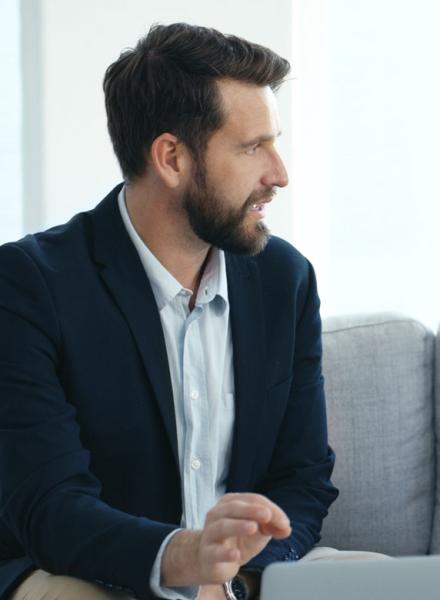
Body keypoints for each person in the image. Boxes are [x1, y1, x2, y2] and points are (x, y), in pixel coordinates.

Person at [0, 23, 339, 600]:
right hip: (86, 573)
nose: (279, 174)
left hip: (244, 581)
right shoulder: (28, 285)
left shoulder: (285, 279)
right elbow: (51, 508)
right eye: (252, 146)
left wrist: (236, 574)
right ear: (172, 158)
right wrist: (184, 560)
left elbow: (304, 478)